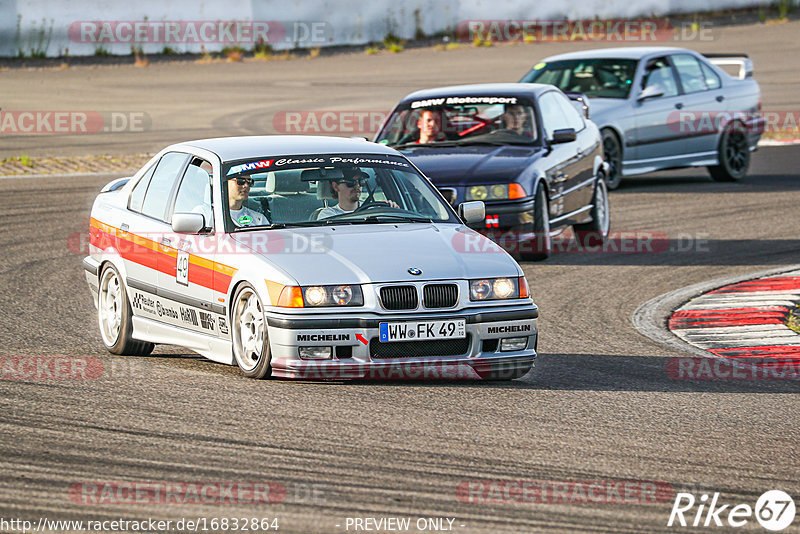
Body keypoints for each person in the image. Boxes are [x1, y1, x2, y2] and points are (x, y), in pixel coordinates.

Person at [317, 168, 398, 219]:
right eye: (351, 182)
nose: (357, 186)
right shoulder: (328, 215)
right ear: (336, 187)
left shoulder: (373, 210)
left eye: (361, 181)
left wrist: (391, 210)